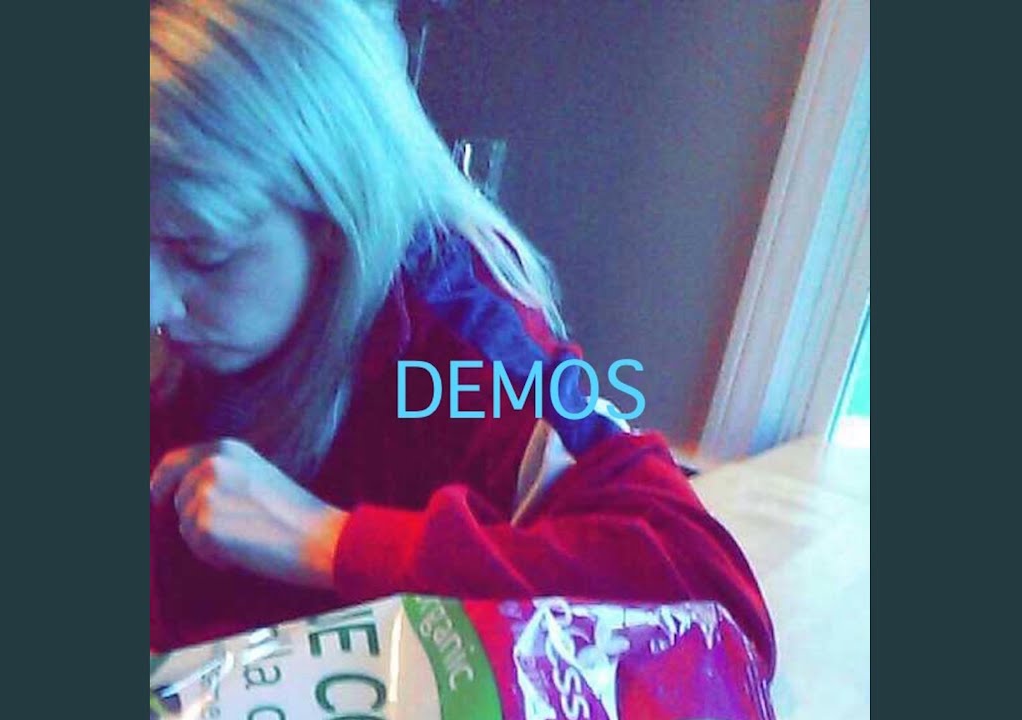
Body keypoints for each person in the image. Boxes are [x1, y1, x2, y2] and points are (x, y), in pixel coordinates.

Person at [149, 0, 774, 677]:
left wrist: (328, 541)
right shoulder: (212, 318)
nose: (154, 306)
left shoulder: (458, 346)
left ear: (333, 220)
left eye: (202, 253)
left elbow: (716, 606)